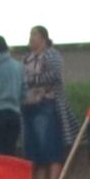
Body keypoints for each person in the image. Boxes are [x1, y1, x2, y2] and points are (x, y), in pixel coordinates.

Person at [18, 28, 70, 164]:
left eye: (34, 34)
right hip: (28, 105)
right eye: (30, 34)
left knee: (47, 143)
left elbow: (54, 75)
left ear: (43, 38)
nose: (30, 38)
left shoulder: (52, 55)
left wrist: (31, 80)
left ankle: (52, 178)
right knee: (32, 146)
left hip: (46, 103)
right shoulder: (26, 58)